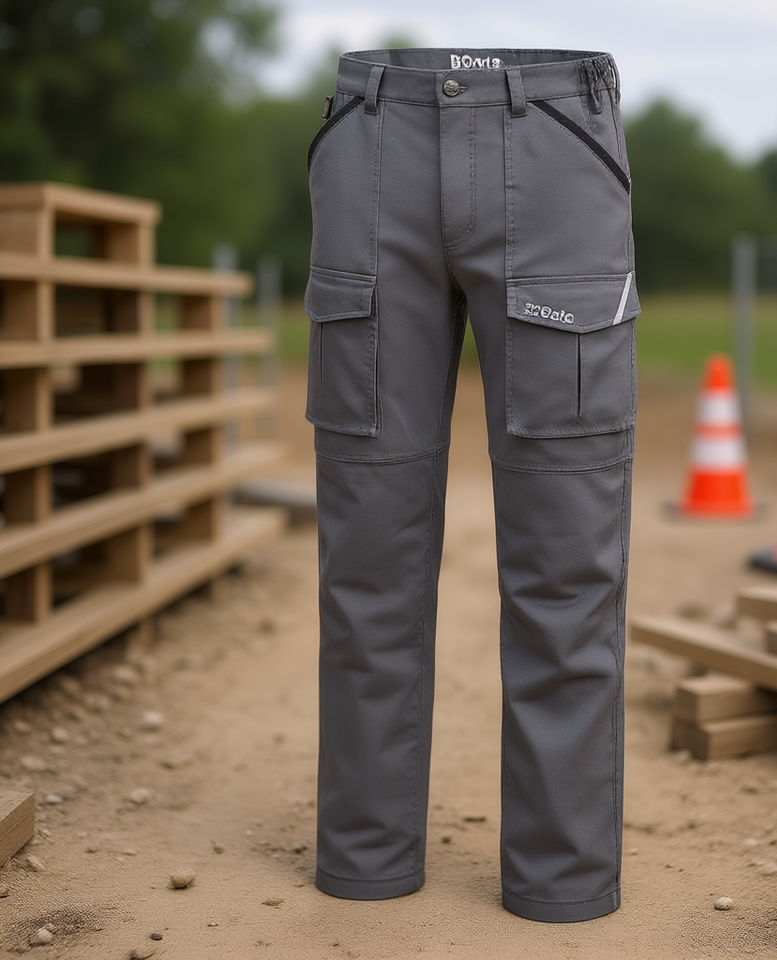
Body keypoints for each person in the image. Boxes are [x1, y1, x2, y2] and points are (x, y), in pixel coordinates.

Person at [305, 48, 639, 923]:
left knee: (567, 559)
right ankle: (365, 855)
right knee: (365, 559)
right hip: (373, 137)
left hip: (555, 144)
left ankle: (561, 876)